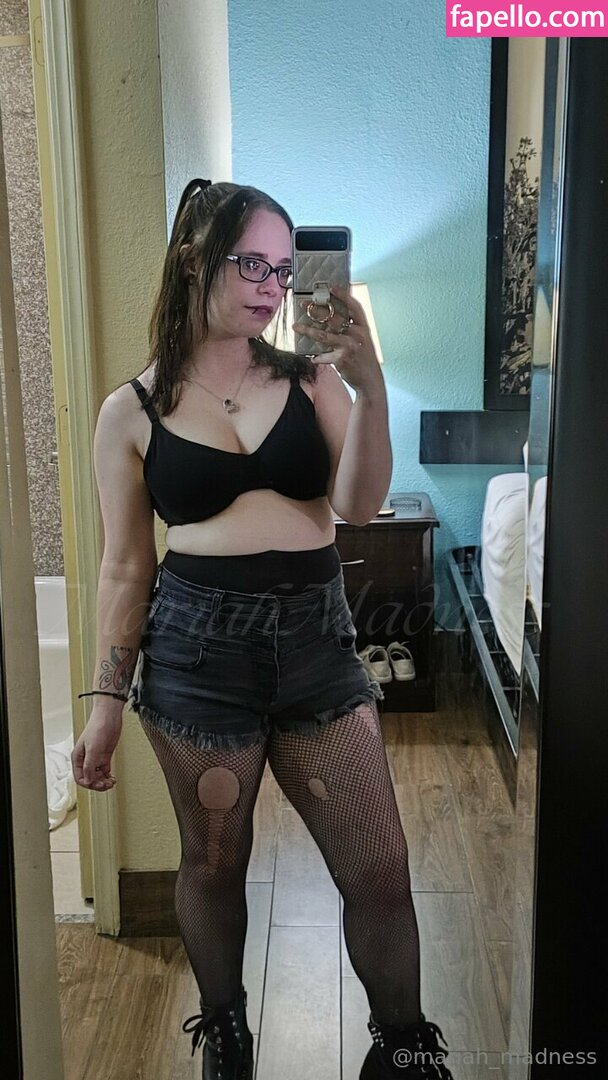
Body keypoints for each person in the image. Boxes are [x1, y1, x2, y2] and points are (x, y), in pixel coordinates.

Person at [71, 179, 453, 1080]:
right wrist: (103, 704)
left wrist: (370, 387)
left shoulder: (312, 381)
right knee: (212, 864)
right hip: (194, 657)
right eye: (252, 264)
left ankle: (404, 1052)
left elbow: (360, 505)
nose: (271, 287)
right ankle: (227, 1034)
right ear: (192, 260)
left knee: (379, 870)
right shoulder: (131, 411)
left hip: (318, 650)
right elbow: (126, 567)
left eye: (282, 270)